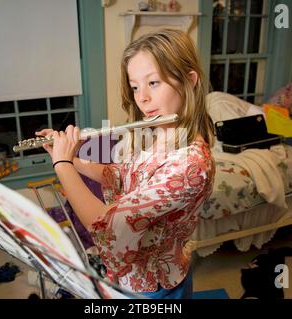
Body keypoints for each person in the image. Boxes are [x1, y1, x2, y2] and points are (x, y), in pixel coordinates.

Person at [36, 29, 216, 299]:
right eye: (135, 87)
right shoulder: (158, 134)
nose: (141, 98)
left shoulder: (191, 165)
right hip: (127, 279)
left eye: (153, 82)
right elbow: (124, 175)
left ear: (190, 81)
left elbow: (107, 228)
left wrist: (62, 166)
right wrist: (72, 159)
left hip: (153, 289)